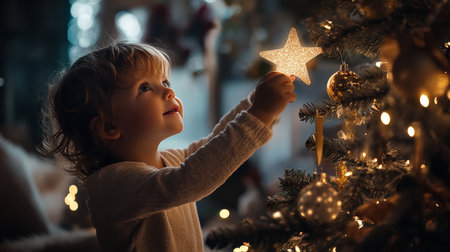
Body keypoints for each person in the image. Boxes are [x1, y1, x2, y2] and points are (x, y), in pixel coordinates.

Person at [41, 42, 296, 251]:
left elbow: (213, 146)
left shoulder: (168, 160)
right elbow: (190, 180)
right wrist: (258, 114)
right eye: (144, 88)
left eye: (165, 82)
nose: (168, 92)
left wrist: (255, 105)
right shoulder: (113, 185)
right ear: (109, 127)